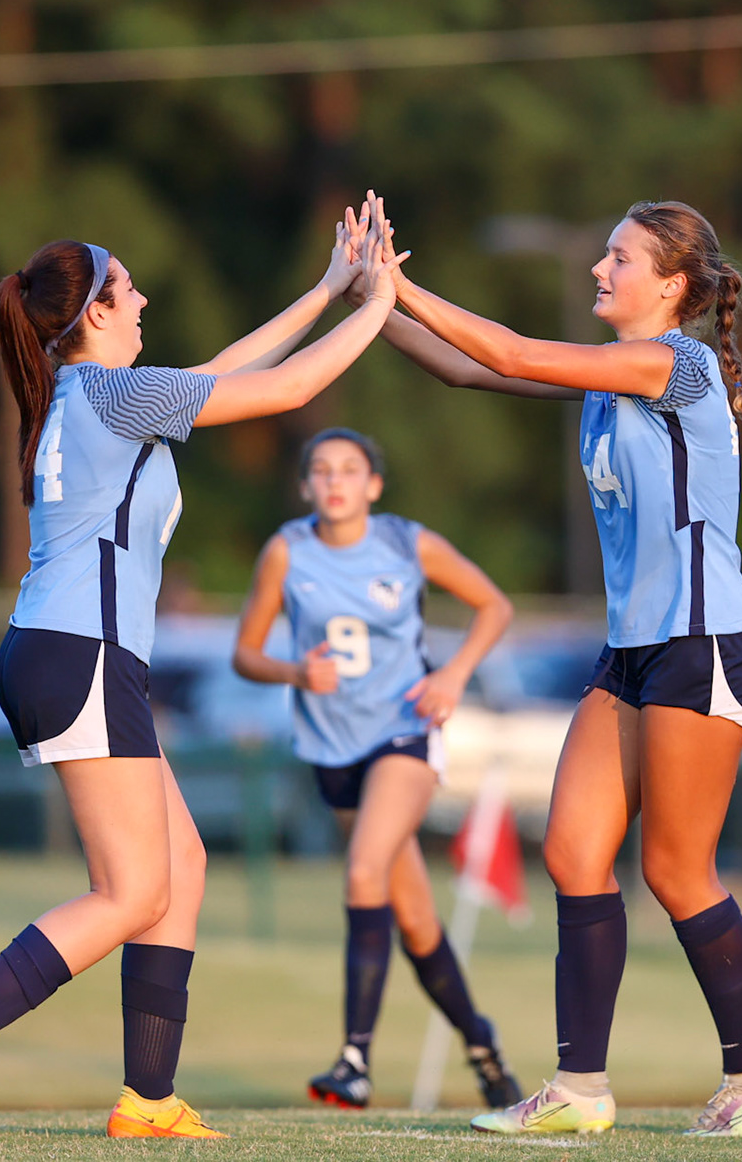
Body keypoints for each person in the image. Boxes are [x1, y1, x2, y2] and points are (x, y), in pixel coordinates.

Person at [0, 205, 403, 1141]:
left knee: (181, 867)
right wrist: (382, 305)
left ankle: (150, 1098)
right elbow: (284, 392)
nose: (143, 299)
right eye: (125, 287)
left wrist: (332, 288)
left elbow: (223, 374)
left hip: (73, 651)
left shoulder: (87, 393)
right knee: (130, 893)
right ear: (91, 312)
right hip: (78, 653)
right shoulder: (109, 394)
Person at [368, 196, 742, 1138]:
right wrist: (362, 299)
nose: (599, 270)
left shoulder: (674, 364)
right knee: (570, 851)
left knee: (679, 871)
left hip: (704, 641)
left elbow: (513, 351)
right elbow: (466, 370)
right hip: (635, 649)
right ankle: (580, 1089)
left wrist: (400, 284)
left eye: (620, 258)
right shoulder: (613, 376)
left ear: (673, 287)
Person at [231, 426, 522, 1111]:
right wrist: (293, 670)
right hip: (332, 749)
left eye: (350, 470)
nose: (335, 482)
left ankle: (354, 1060)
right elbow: (244, 652)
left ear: (374, 486)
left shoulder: (404, 542)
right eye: (321, 471)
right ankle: (482, 1044)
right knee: (415, 921)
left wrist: (452, 674)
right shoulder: (287, 551)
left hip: (404, 733)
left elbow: (494, 605)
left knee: (364, 871)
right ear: (305, 486)